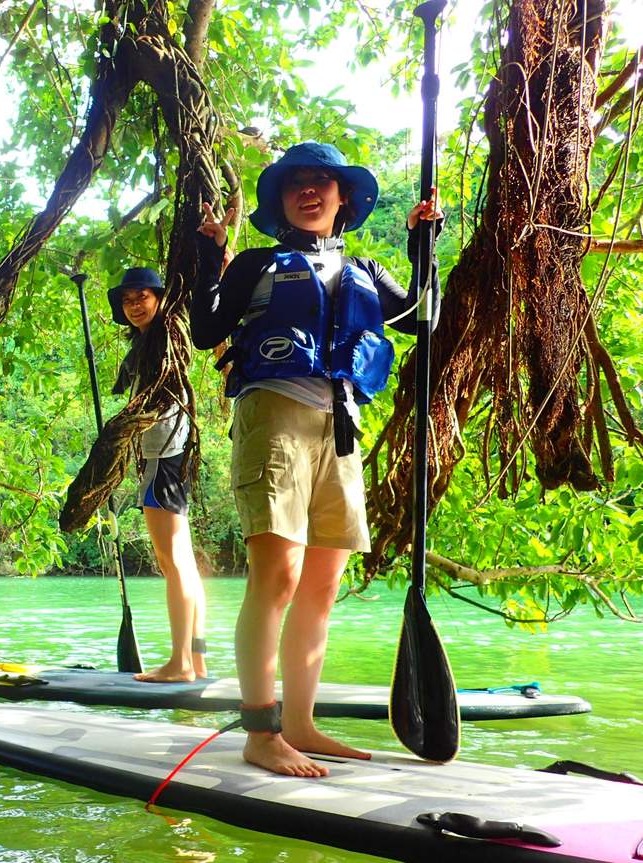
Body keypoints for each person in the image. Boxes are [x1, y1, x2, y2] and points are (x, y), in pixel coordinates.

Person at [189, 142, 442, 776]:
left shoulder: (365, 268)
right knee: (276, 576)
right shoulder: (256, 264)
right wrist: (208, 259)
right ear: (280, 201)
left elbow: (424, 319)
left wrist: (423, 244)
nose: (308, 191)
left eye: (321, 182)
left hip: (342, 426)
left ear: (342, 197)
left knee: (323, 585)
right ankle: (261, 731)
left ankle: (301, 725)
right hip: (274, 414)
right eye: (295, 183)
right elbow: (205, 331)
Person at [106, 267, 208, 683]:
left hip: (163, 455)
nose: (134, 306)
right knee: (184, 563)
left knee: (173, 562)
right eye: (128, 300)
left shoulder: (164, 340)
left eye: (142, 297)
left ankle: (181, 662)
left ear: (160, 298)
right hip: (170, 456)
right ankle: (196, 662)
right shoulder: (150, 344)